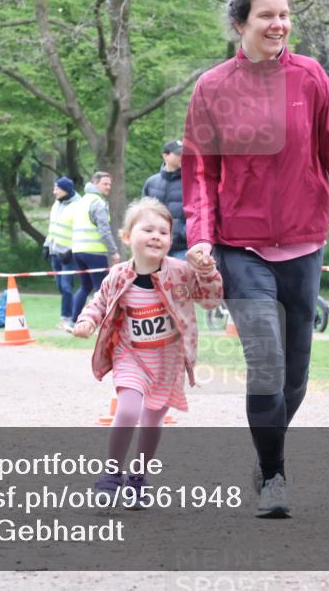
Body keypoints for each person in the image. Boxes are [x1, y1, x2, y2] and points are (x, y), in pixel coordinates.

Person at [182, 0, 329, 518]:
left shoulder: (310, 77)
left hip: (303, 243)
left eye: (284, 14)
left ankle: (265, 455)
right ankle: (274, 476)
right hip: (241, 246)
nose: (278, 24)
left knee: (295, 376)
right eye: (266, 15)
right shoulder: (212, 88)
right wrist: (201, 238)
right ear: (240, 23)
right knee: (266, 361)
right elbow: (201, 173)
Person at [73, 198, 223, 504]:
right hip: (130, 355)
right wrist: (87, 320)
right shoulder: (118, 275)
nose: (156, 236)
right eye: (148, 230)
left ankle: (138, 478)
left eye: (163, 232)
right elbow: (100, 301)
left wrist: (208, 273)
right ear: (128, 237)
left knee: (153, 421)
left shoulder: (181, 273)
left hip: (168, 361)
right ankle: (112, 472)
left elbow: (210, 301)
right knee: (128, 409)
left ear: (170, 240)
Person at [68, 171, 121, 329]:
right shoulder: (98, 203)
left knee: (85, 287)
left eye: (110, 184)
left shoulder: (82, 201)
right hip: (94, 252)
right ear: (95, 183)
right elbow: (104, 231)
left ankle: (73, 321)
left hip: (78, 251)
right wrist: (113, 251)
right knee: (102, 289)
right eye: (105, 183)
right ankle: (105, 325)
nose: (108, 187)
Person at [42, 176, 80, 330]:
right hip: (55, 252)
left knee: (66, 287)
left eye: (57, 188)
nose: (54, 191)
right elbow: (53, 228)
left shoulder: (78, 206)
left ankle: (67, 317)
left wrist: (71, 250)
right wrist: (46, 245)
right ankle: (71, 314)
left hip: (68, 255)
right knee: (60, 286)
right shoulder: (56, 204)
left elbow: (79, 231)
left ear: (66, 190)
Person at [142, 140, 188, 259]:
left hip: (181, 248)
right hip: (154, 246)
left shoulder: (191, 183)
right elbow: (142, 214)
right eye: (178, 154)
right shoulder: (151, 183)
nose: (183, 157)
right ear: (165, 156)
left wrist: (183, 234)